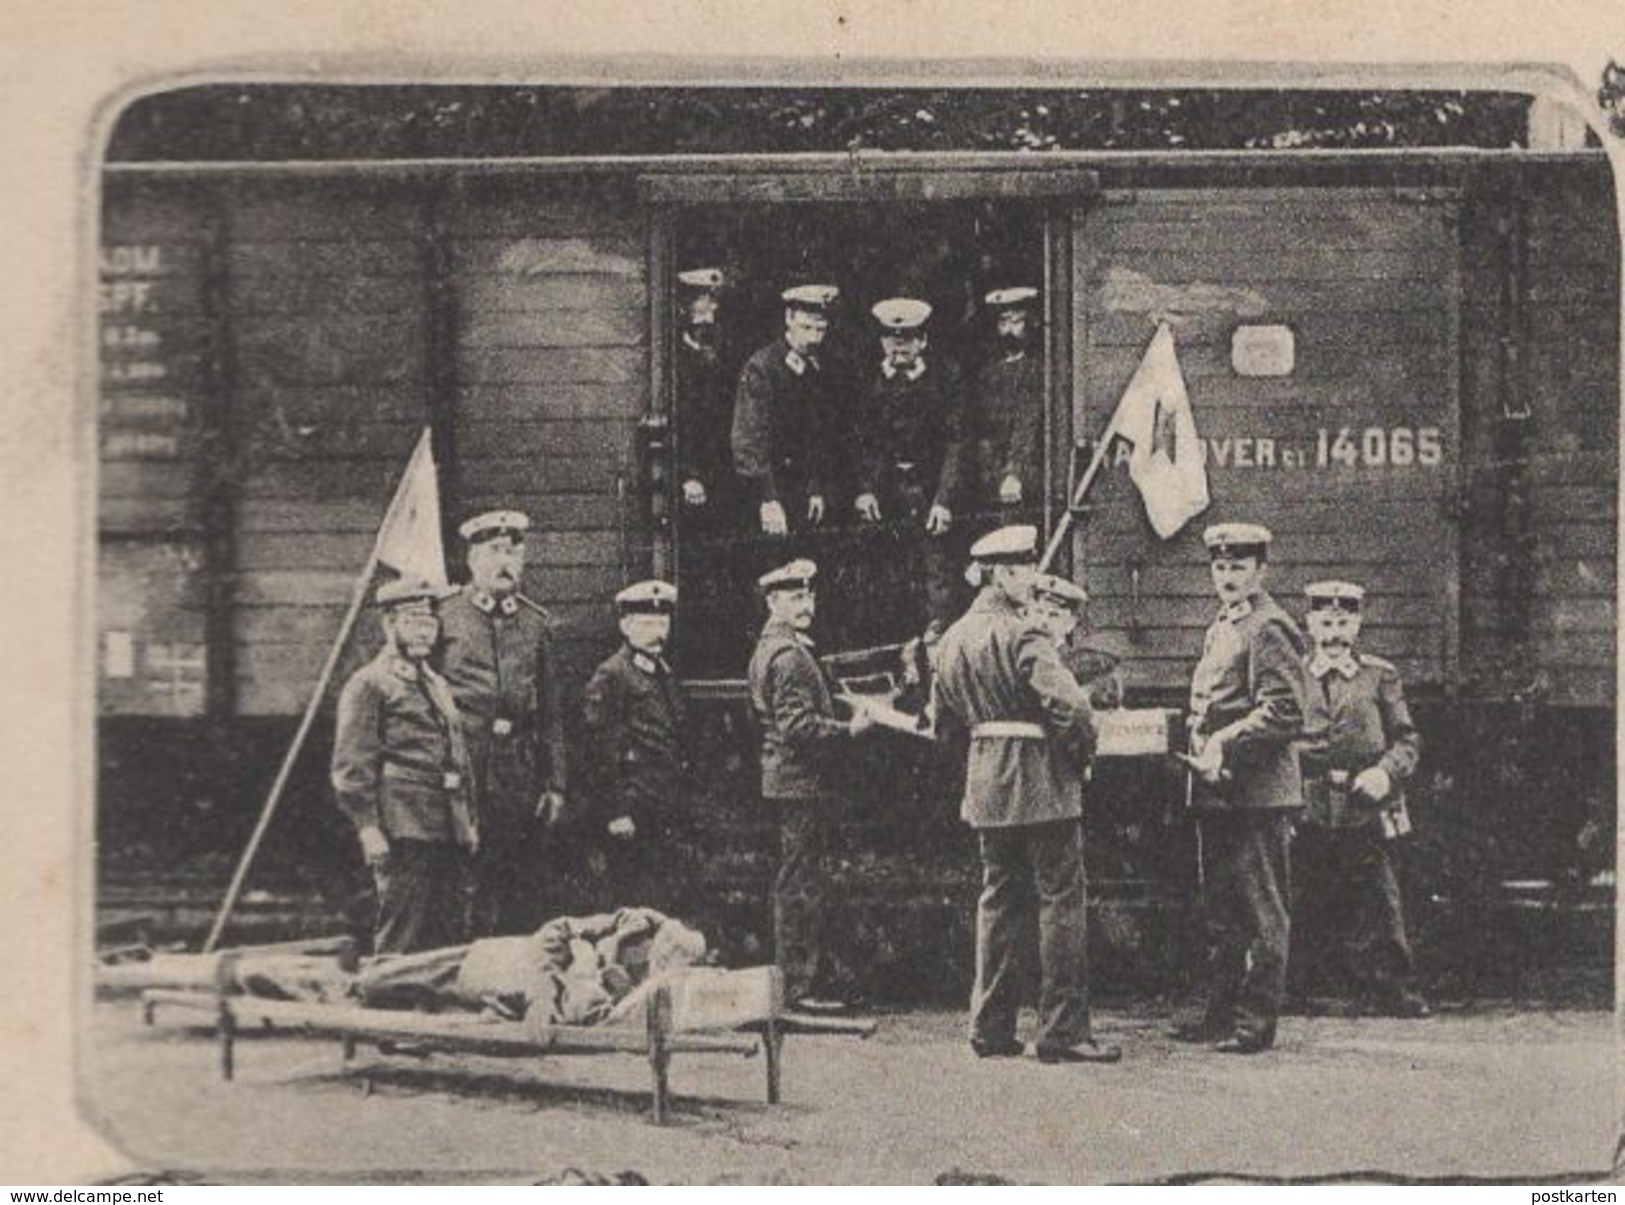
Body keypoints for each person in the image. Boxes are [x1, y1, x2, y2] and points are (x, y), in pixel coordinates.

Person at [931, 528, 1121, 1064]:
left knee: (997, 902)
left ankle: (990, 1029)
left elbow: (941, 726)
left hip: (987, 784)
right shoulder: (1025, 635)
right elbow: (1075, 710)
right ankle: (1062, 1032)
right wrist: (1080, 755)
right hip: (1042, 783)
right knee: (1061, 902)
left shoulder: (951, 639)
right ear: (1004, 574)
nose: (1033, 579)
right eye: (1026, 569)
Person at [1179, 522, 1310, 1054]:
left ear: (1261, 570)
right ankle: (1220, 1015)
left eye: (1238, 567)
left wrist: (1225, 742)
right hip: (1222, 790)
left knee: (1261, 910)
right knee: (1224, 908)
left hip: (1257, 791)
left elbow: (1285, 711)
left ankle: (1255, 1025)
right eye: (1220, 566)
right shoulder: (1225, 625)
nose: (1227, 576)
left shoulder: (1268, 626)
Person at [1293, 580, 1429, 1017]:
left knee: (1380, 897)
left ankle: (1396, 988)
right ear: (1310, 624)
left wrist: (1384, 772)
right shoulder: (1294, 672)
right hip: (1307, 800)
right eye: (1326, 622)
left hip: (1364, 803)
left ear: (1358, 623)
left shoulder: (1379, 675)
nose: (1334, 633)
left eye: (1344, 622)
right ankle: (1288, 986)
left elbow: (1407, 739)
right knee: (1296, 892)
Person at [746, 558, 875, 1012]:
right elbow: (797, 725)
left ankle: (799, 983)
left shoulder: (778, 647)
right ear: (772, 601)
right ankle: (798, 988)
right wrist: (849, 730)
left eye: (809, 596)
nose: (805, 605)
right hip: (799, 784)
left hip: (790, 782)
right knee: (799, 885)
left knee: (798, 881)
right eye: (794, 597)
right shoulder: (788, 655)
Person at [436, 510, 568, 937]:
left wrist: (555, 783)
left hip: (518, 773)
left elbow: (550, 712)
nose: (505, 562)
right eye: (494, 551)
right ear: (473, 560)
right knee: (458, 879)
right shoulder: (445, 617)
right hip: (461, 770)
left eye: (514, 551)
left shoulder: (535, 623)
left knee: (516, 879)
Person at [331, 578, 477, 955]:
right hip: (403, 825)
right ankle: (388, 1001)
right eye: (413, 622)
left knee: (447, 925)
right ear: (389, 625)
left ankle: (435, 1005)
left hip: (446, 823)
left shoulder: (437, 684)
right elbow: (352, 765)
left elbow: (458, 754)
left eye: (429, 623)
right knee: (402, 926)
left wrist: (468, 822)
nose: (424, 632)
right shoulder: (370, 684)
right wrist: (368, 828)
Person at [852, 297, 970, 644]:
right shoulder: (868, 380)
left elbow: (957, 441)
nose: (898, 347)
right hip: (883, 495)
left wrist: (945, 499)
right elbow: (858, 440)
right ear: (881, 342)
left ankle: (934, 648)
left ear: (923, 341)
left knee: (936, 574)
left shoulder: (946, 377)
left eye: (907, 339)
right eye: (891, 339)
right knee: (884, 573)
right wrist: (864, 490)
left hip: (930, 492)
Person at [581, 580, 691, 912]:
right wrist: (616, 811)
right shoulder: (612, 675)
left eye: (663, 622)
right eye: (648, 623)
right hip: (632, 810)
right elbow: (598, 751)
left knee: (663, 898)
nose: (659, 632)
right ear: (625, 626)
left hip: (663, 804)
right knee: (632, 901)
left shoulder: (662, 672)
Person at [731, 284, 843, 546]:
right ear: (789, 319)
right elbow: (749, 439)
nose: (815, 338)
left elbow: (820, 435)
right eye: (807, 329)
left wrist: (816, 487)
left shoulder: (822, 366)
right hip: (770, 495)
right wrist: (767, 498)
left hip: (807, 496)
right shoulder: (763, 367)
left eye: (821, 330)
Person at [970, 286, 1045, 524]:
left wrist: (1015, 472)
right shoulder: (987, 371)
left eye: (1016, 321)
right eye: (1003, 322)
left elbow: (1028, 421)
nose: (1008, 330)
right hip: (990, 476)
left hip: (1023, 477)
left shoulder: (1037, 368)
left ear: (1030, 323)